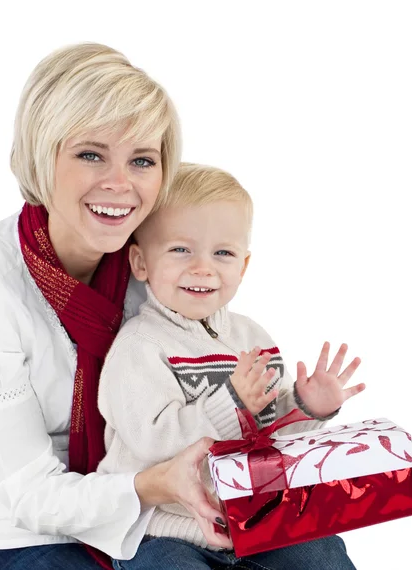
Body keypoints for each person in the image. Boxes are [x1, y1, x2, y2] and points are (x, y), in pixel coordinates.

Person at [0, 44, 233, 570]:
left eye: (142, 160)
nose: (120, 184)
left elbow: (216, 373)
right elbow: (29, 493)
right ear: (41, 154)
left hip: (161, 513)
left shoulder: (160, 262)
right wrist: (150, 484)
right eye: (91, 154)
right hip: (29, 533)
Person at [97, 163, 366, 569]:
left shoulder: (252, 337)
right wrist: (232, 403)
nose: (202, 267)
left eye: (222, 253)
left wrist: (307, 406)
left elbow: (275, 439)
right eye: (180, 249)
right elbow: (151, 441)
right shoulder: (140, 346)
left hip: (255, 521)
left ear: (242, 266)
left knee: (323, 554)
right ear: (140, 262)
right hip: (165, 531)